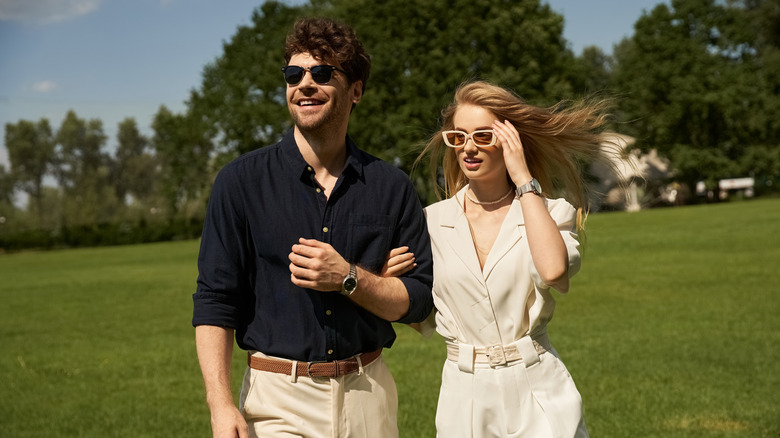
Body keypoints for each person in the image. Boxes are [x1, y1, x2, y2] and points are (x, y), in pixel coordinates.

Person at [192, 17, 433, 438]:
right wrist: (220, 402)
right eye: (294, 74)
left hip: (368, 393)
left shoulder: (390, 186)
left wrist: (350, 278)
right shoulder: (240, 182)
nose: (304, 84)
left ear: (355, 90)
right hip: (279, 398)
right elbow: (215, 299)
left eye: (322, 73)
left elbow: (419, 300)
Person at [405, 80, 620, 437]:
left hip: (537, 386)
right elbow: (421, 317)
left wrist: (522, 177)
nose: (468, 148)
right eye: (458, 137)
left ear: (509, 140)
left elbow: (553, 270)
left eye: (483, 136)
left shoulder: (550, 213)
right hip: (464, 395)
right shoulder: (431, 222)